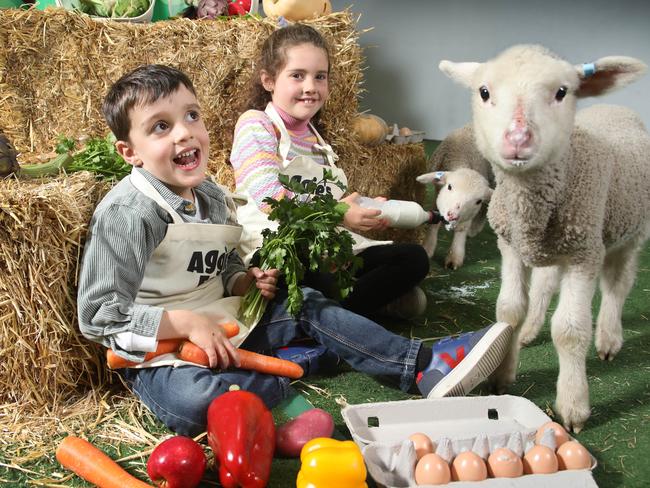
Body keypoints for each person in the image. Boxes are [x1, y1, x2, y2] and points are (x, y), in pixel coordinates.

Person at [77, 64, 512, 437]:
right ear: (129, 152)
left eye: (191, 115)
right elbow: (98, 316)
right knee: (192, 403)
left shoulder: (209, 193)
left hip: (226, 322)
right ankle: (291, 368)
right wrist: (185, 324)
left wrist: (242, 279)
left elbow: (222, 257)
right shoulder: (129, 214)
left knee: (306, 301)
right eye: (161, 126)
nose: (185, 132)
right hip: (161, 353)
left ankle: (421, 365)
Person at [230, 23, 430, 319]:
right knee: (301, 269)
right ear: (269, 80)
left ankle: (334, 312)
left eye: (319, 77)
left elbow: (329, 199)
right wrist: (338, 212)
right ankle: (352, 310)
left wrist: (364, 209)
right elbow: (270, 199)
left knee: (413, 259)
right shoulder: (256, 124)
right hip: (276, 248)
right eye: (297, 75)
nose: (310, 86)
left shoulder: (318, 139)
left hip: (325, 248)